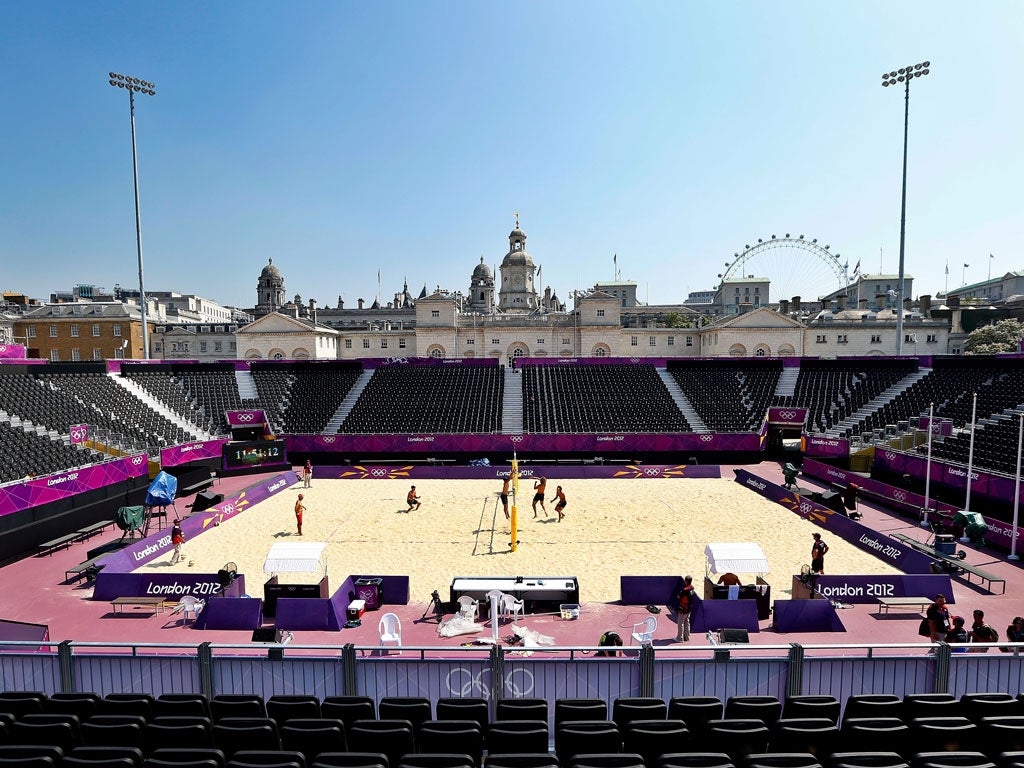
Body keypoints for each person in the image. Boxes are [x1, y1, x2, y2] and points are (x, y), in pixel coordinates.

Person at [675, 575, 697, 642]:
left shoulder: (684, 590)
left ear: (686, 581)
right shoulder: (692, 588)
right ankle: (687, 637)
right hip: (689, 609)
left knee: (680, 623)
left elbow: (678, 596)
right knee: (687, 623)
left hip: (683, 609)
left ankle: (680, 638)